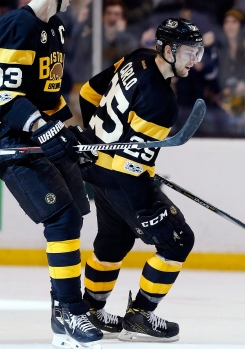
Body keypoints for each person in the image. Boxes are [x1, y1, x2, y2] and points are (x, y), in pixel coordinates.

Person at [0, 1, 103, 348]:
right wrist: (44, 130)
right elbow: (1, 97)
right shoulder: (15, 26)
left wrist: (70, 129)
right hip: (9, 138)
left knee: (75, 213)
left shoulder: (56, 27)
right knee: (61, 219)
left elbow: (49, 93)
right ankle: (72, 311)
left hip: (36, 133)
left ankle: (62, 309)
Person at [76, 17, 203, 342]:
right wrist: (147, 199)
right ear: (167, 50)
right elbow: (131, 167)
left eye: (197, 52)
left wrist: (95, 140)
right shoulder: (162, 104)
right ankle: (140, 316)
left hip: (98, 172)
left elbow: (89, 92)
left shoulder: (137, 57)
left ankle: (91, 310)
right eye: (189, 52)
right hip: (120, 179)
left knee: (113, 242)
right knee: (178, 240)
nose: (194, 60)